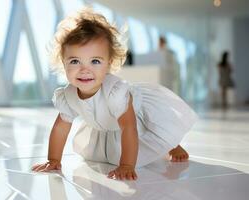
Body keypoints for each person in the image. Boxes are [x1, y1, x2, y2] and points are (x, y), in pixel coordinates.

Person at [32, 8, 197, 181]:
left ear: (109, 63)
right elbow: (60, 128)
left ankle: (172, 144)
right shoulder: (68, 96)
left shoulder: (115, 92)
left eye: (95, 61)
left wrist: (126, 165)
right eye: (75, 61)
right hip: (107, 125)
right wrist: (54, 159)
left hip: (135, 118)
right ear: (63, 63)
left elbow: (128, 127)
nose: (84, 69)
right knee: (111, 152)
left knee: (152, 129)